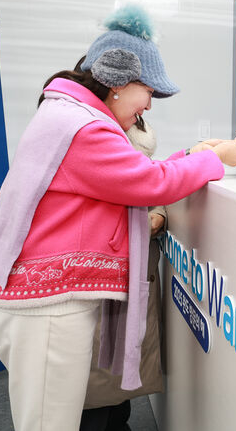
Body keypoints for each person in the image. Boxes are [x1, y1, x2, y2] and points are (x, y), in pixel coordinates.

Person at [0, 5, 236, 431]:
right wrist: (215, 160)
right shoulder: (84, 127)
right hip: (49, 310)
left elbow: (127, 175)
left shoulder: (69, 116)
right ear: (117, 81)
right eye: (148, 91)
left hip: (47, 303)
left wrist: (190, 155)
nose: (149, 104)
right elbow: (149, 183)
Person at [79, 123, 167, 431]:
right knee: (95, 383)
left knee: (116, 382)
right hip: (95, 285)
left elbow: (153, 188)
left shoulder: (130, 163)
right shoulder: (87, 155)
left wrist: (158, 215)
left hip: (127, 284)